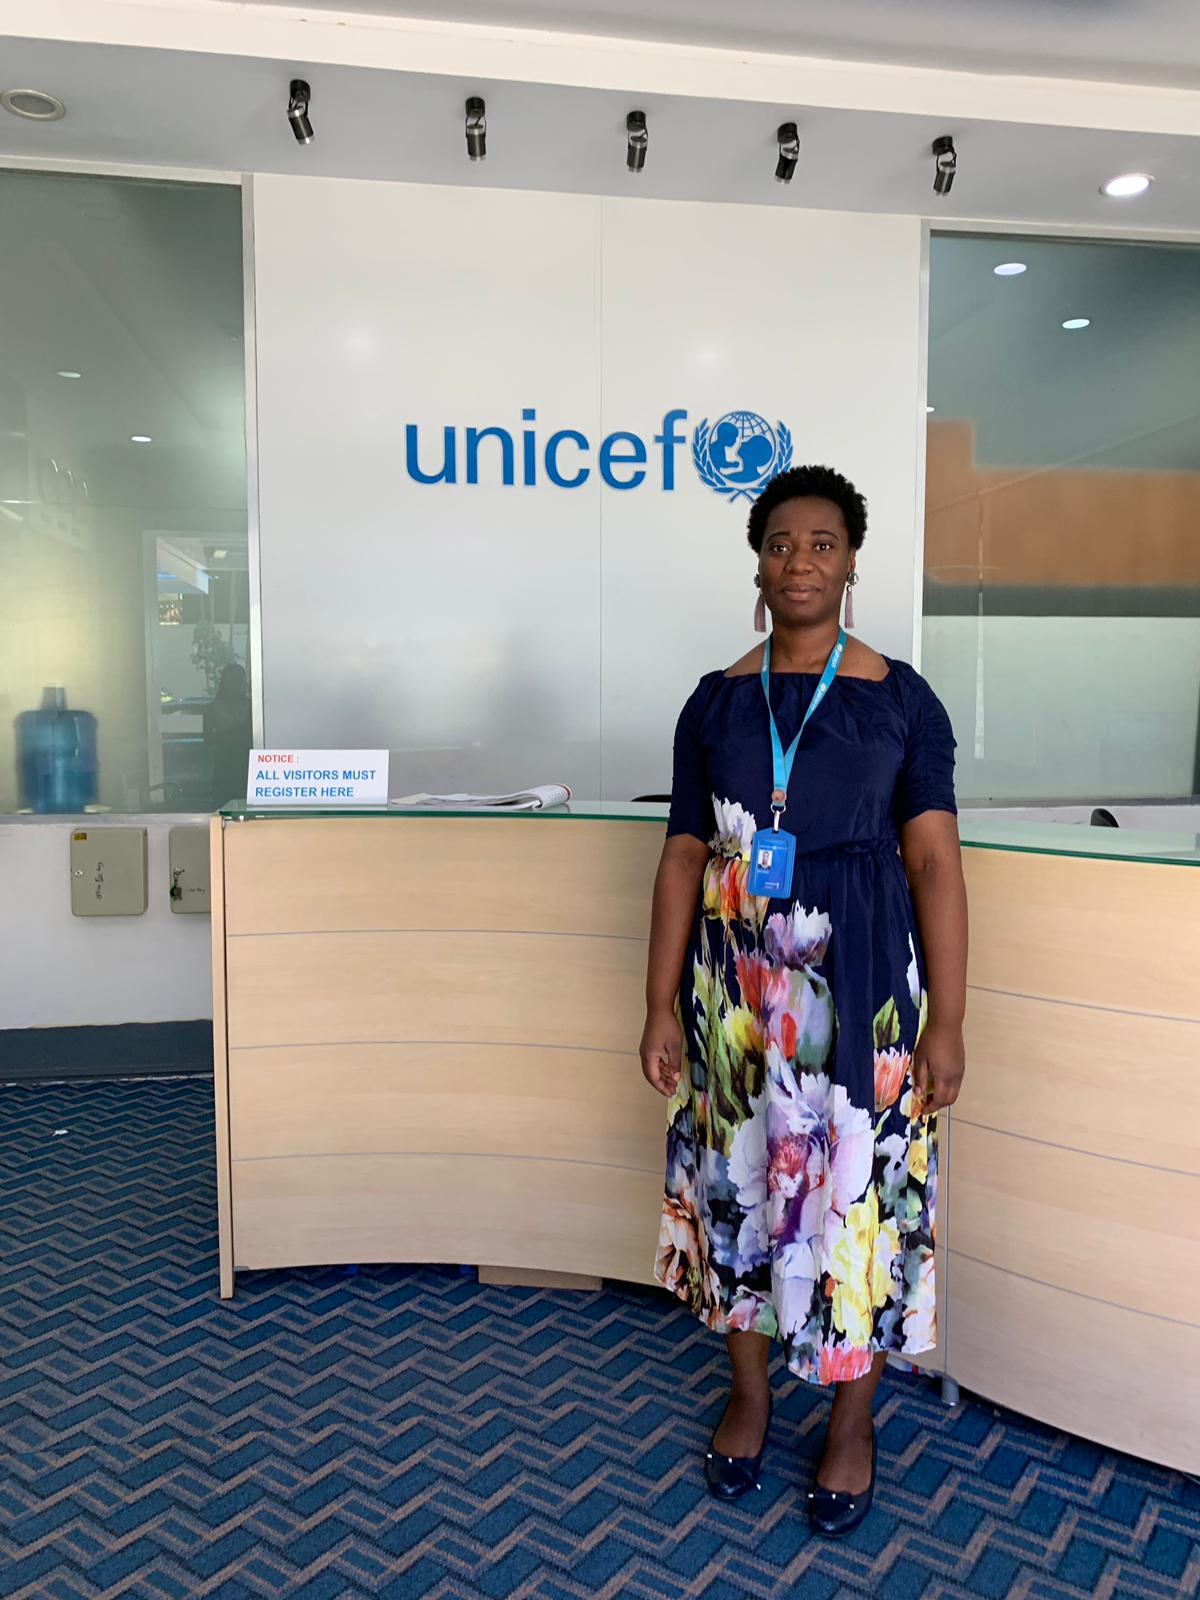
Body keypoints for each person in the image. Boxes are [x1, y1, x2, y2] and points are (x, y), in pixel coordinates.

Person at [640, 464, 967, 1536]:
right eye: (782, 543)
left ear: (852, 560)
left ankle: (852, 1418)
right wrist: (657, 1007)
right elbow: (684, 854)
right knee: (739, 1198)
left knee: (855, 1210)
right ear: (759, 559)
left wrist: (949, 1019)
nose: (801, 562)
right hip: (736, 1001)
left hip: (865, 995)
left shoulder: (904, 701)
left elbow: (935, 867)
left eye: (822, 543)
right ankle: (748, 1391)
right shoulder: (716, 701)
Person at [204, 662, 253, 811]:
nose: (236, 684)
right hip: (225, 767)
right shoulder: (211, 708)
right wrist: (234, 735)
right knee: (223, 810)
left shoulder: (253, 707)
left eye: (239, 680)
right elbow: (208, 739)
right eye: (233, 680)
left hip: (246, 766)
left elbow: (255, 736)